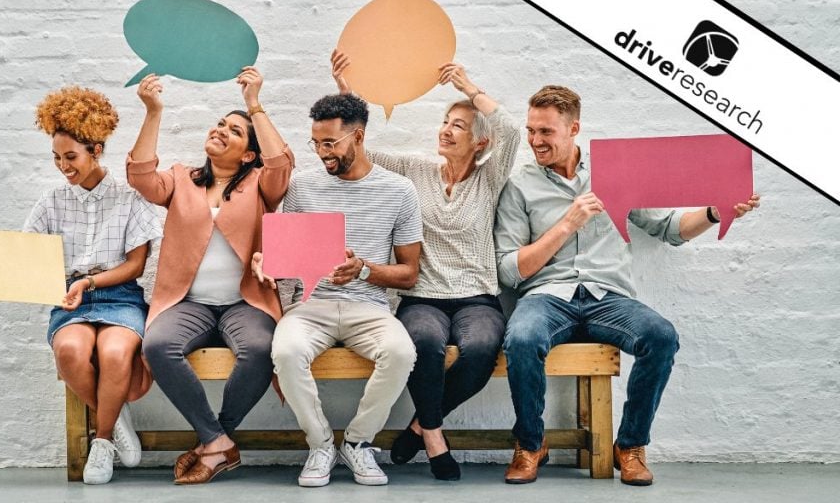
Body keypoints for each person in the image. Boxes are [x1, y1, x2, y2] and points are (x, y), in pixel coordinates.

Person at [494, 84, 760, 486]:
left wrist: (715, 211)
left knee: (661, 336)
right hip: (548, 296)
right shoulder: (520, 186)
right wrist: (568, 223)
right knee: (522, 337)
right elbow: (510, 270)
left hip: (608, 298)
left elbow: (671, 230)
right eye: (531, 130)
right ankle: (531, 444)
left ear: (573, 129)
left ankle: (630, 445)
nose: (535, 141)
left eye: (545, 132)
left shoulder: (614, 173)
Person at [330, 50, 521, 481]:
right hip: (421, 297)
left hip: (476, 297)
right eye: (445, 122)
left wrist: (469, 88)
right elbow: (362, 153)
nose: (447, 131)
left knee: (479, 351)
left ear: (480, 143)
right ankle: (434, 435)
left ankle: (419, 424)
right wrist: (347, 95)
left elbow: (510, 130)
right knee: (423, 346)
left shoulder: (489, 179)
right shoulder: (416, 170)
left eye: (459, 126)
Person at [0, 86, 162, 485]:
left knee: (117, 352)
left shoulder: (128, 199)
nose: (63, 166)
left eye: (71, 157)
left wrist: (89, 281)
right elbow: (20, 257)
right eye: (56, 158)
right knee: (70, 351)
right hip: (69, 300)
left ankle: (101, 442)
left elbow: (136, 266)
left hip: (119, 296)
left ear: (96, 150)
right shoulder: (50, 202)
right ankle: (114, 412)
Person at [125, 68, 293, 485]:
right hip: (189, 303)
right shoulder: (182, 179)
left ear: (248, 154)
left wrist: (254, 105)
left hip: (244, 302)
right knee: (159, 345)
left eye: (235, 131)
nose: (221, 130)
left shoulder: (259, 183)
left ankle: (214, 440)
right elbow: (140, 176)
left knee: (260, 347)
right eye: (221, 123)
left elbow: (281, 164)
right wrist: (152, 112)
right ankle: (218, 443)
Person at [252, 93, 422, 487]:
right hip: (312, 306)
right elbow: (285, 261)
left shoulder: (399, 191)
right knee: (287, 351)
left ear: (357, 137)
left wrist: (363, 271)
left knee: (401, 352)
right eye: (316, 143)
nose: (322, 153)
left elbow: (409, 274)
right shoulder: (303, 187)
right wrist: (268, 264)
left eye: (330, 143)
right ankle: (321, 443)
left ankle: (359, 443)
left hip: (370, 308)